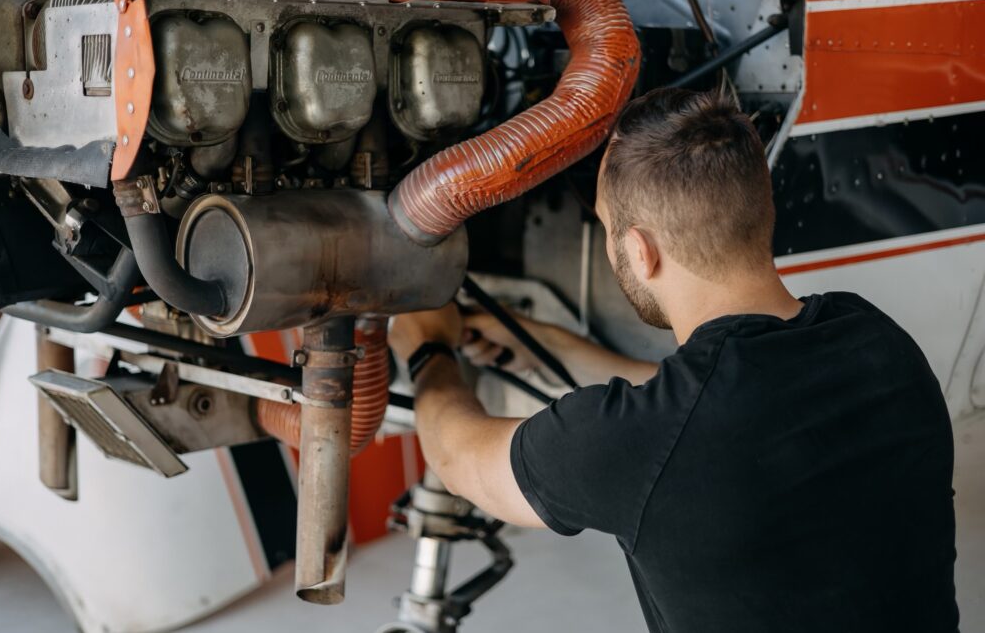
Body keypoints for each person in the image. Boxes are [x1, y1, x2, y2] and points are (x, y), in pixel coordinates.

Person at [388, 88, 959, 633]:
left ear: (640, 251)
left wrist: (428, 346)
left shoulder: (643, 441)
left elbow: (464, 463)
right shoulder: (877, 341)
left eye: (608, 230)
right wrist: (550, 342)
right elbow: (706, 415)